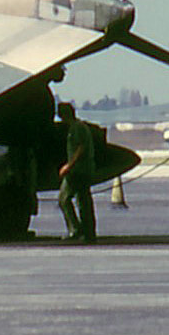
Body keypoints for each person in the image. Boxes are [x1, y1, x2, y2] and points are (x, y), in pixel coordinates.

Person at [57, 103, 97, 243]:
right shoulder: (77, 127)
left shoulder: (77, 128)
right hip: (82, 169)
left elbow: (81, 147)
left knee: (64, 199)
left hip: (78, 171)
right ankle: (87, 232)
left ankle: (76, 229)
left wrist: (69, 166)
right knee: (83, 201)